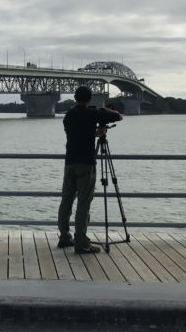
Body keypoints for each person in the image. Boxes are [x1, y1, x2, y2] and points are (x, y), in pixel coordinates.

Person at [57, 86, 122, 253]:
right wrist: (105, 110)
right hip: (86, 163)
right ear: (90, 98)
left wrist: (96, 134)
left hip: (69, 163)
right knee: (83, 203)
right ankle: (81, 243)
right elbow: (118, 116)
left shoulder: (69, 115)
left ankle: (64, 238)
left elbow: (78, 134)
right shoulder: (92, 114)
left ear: (75, 98)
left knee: (66, 201)